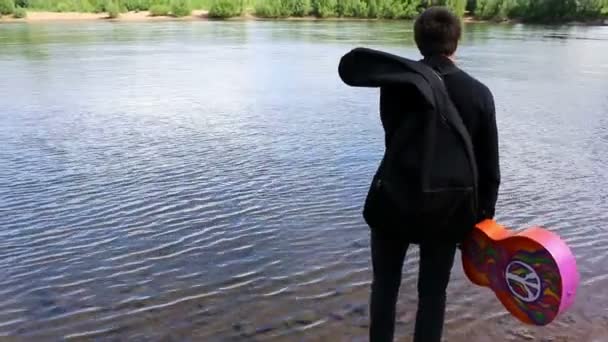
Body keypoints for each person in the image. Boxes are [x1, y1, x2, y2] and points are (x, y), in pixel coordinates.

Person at [365, 7, 501, 342]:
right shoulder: (479, 93)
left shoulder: (395, 86)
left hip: (394, 198)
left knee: (384, 285)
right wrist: (483, 219)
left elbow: (392, 139)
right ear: (456, 42)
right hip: (448, 209)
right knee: (432, 294)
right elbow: (489, 168)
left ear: (418, 41)